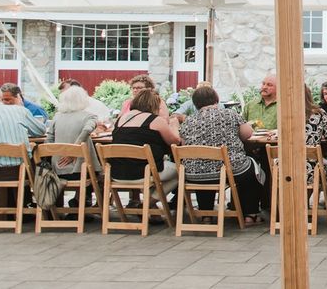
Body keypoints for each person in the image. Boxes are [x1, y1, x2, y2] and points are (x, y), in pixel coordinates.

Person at [178, 85, 262, 224]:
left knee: (203, 167)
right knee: (252, 167)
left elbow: (183, 141)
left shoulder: (188, 121)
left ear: (195, 103)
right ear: (216, 99)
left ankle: (206, 215)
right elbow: (248, 134)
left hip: (194, 174)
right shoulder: (230, 114)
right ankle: (250, 214)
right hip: (230, 170)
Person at [109, 87, 181, 193]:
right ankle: (150, 202)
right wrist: (174, 126)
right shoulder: (155, 121)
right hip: (145, 172)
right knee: (180, 171)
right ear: (153, 105)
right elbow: (175, 141)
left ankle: (146, 202)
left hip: (117, 173)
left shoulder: (121, 120)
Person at [48, 84, 100, 180]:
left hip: (57, 170)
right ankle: (86, 195)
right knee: (100, 172)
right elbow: (88, 129)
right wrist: (73, 151)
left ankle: (74, 195)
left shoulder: (57, 117)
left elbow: (49, 139)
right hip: (81, 170)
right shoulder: (90, 116)